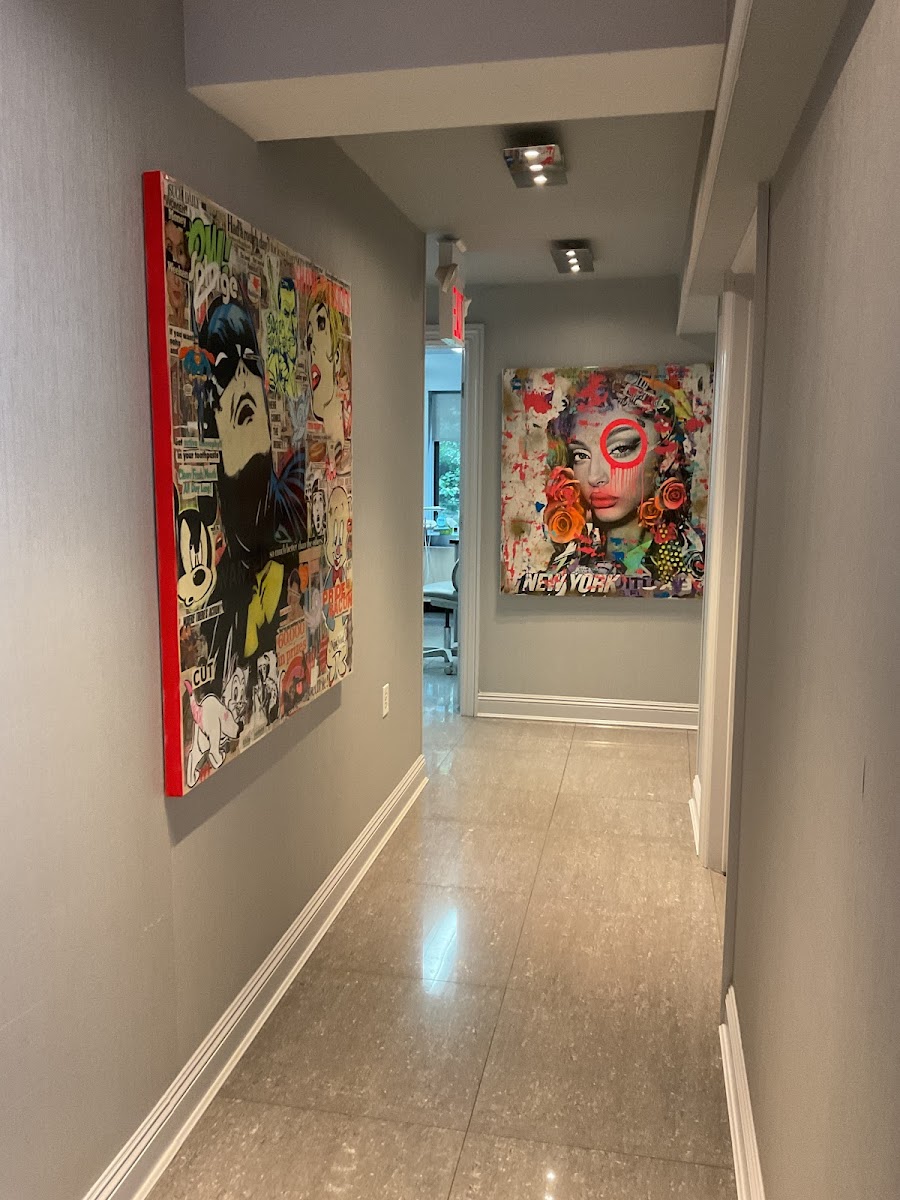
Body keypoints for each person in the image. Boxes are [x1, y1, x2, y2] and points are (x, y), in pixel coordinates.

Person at [544, 369, 704, 589]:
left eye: (620, 449)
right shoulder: (567, 565)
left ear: (666, 454)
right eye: (581, 455)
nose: (594, 476)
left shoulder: (687, 563)